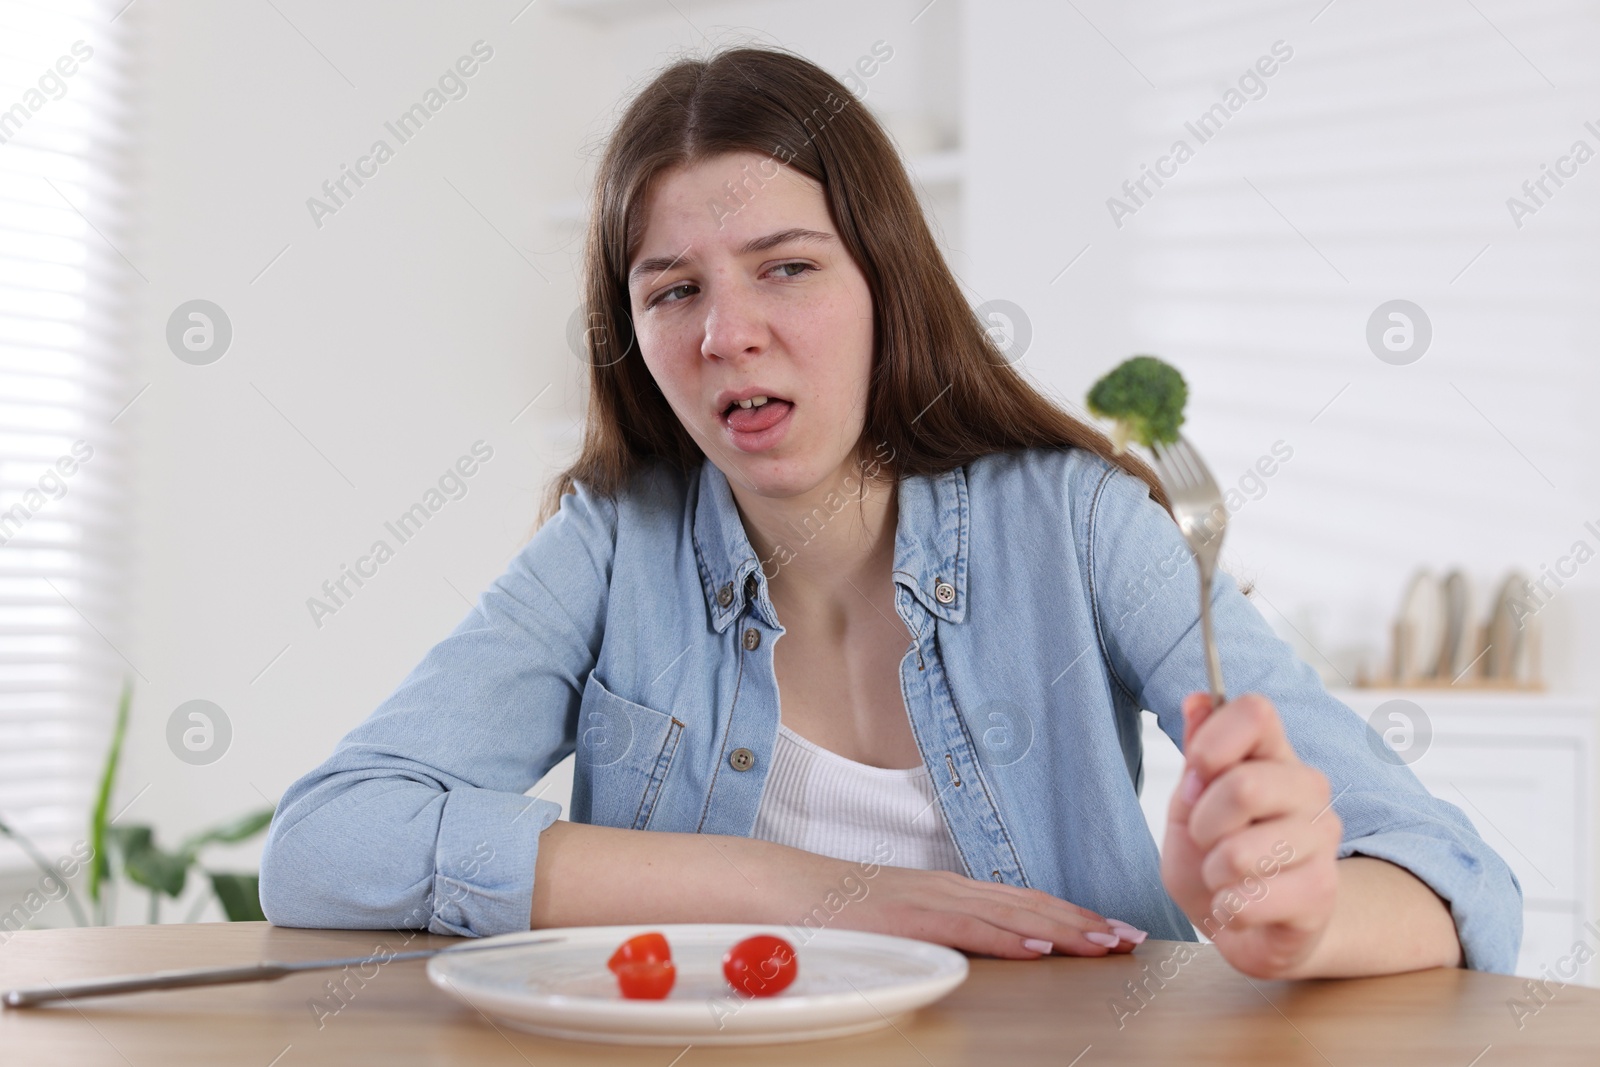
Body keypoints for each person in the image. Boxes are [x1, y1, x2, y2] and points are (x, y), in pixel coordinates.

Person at [258, 45, 1521, 980]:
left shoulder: (1082, 524)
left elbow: (1452, 877)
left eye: (787, 267)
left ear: (885, 281)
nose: (724, 332)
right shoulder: (610, 542)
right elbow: (328, 842)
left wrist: (1295, 919)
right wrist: (815, 892)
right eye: (671, 290)